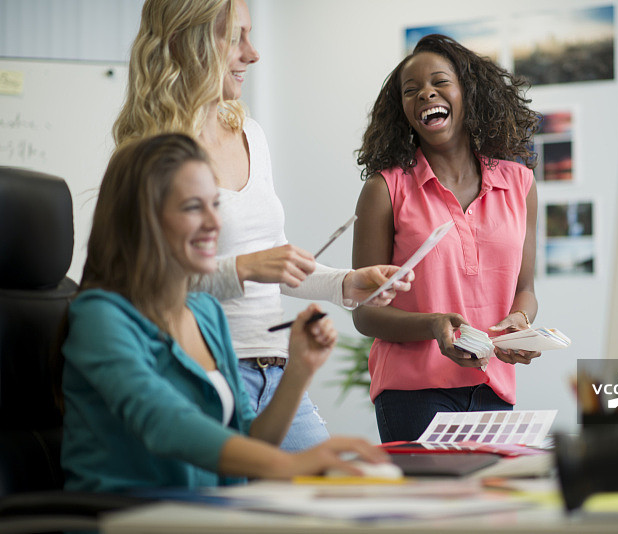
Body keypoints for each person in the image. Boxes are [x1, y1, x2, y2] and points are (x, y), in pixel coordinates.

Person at [112, 0, 412, 452]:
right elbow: (150, 281)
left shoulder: (251, 133)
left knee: (328, 499)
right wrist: (248, 267)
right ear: (185, 41)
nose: (253, 54)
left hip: (278, 373)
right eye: (235, 38)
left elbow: (275, 256)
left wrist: (348, 283)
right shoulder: (151, 152)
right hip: (206, 375)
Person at [60, 133, 388, 493]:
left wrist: (298, 370)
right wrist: (291, 465)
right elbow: (164, 423)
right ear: (142, 218)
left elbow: (251, 439)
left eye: (215, 204)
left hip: (208, 512)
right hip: (131, 516)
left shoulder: (205, 313)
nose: (215, 222)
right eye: (192, 207)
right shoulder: (101, 317)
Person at [353, 34, 542, 443]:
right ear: (402, 109)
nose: (425, 94)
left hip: (495, 390)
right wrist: (433, 325)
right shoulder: (385, 190)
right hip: (412, 398)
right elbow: (364, 312)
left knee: (494, 508)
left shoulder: (519, 183)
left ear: (468, 93)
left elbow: (524, 289)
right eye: (411, 90)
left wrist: (521, 324)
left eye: (440, 82)